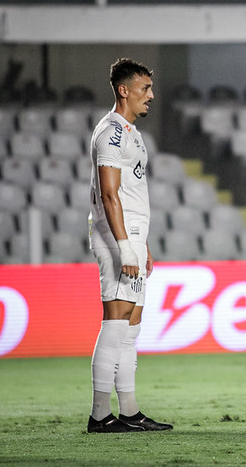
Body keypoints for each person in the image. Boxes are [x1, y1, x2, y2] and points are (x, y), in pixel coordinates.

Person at [87, 58, 173, 433]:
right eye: (144, 89)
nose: (150, 95)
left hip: (133, 236)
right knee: (115, 323)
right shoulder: (111, 133)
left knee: (131, 327)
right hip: (116, 239)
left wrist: (142, 243)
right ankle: (99, 415)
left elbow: (131, 192)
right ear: (124, 90)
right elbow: (109, 194)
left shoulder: (131, 132)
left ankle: (130, 411)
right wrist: (125, 246)